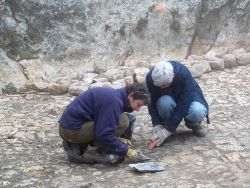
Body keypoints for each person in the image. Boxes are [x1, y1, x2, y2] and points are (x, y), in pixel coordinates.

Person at [58, 82, 150, 164]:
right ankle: (88, 150)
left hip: (71, 126)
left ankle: (80, 144)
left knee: (122, 118)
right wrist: (126, 151)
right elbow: (104, 134)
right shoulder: (113, 101)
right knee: (122, 122)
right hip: (70, 131)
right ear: (131, 95)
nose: (138, 109)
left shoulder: (115, 95)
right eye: (138, 105)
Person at [146, 60, 209, 148]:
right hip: (167, 98)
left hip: (189, 96)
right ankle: (166, 123)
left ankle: (193, 124)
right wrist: (156, 123)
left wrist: (168, 130)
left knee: (198, 110)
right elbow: (151, 101)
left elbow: (184, 103)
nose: (161, 88)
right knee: (164, 103)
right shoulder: (151, 78)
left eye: (164, 85)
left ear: (173, 76)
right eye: (159, 86)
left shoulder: (183, 74)